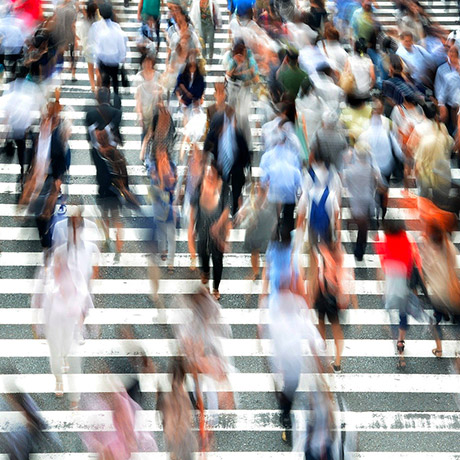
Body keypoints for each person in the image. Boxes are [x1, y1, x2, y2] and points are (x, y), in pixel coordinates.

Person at [188, 161, 231, 300]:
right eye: (208, 172)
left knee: (218, 259)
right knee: (202, 251)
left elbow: (226, 209)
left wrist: (218, 225)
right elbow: (194, 204)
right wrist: (192, 225)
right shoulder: (201, 184)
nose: (209, 175)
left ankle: (216, 287)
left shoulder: (223, 188)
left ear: (218, 174)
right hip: (202, 226)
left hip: (218, 230)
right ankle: (205, 271)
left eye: (212, 172)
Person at [204, 110, 251, 215]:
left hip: (236, 168)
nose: (218, 131)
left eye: (219, 129)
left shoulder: (236, 133)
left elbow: (245, 153)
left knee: (236, 192)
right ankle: (219, 213)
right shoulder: (213, 134)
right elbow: (206, 148)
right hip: (220, 168)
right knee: (220, 193)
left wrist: (245, 168)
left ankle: (234, 212)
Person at [344, 141, 381, 260]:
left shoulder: (349, 171)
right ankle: (359, 250)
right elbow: (375, 183)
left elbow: (347, 185)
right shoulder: (371, 169)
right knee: (363, 228)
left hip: (356, 200)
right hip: (367, 200)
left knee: (360, 225)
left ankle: (358, 249)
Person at [88, 2, 127, 94]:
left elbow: (93, 44)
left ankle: (105, 100)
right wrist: (123, 58)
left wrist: (96, 61)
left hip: (103, 61)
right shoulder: (116, 27)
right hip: (114, 60)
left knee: (104, 83)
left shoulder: (95, 27)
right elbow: (122, 44)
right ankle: (117, 99)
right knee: (115, 82)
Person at [133, 54, 161, 141]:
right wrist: (140, 115)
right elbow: (138, 99)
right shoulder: (138, 77)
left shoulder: (157, 75)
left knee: (156, 135)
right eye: (145, 62)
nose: (147, 64)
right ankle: (144, 153)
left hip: (155, 109)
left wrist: (157, 92)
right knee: (145, 134)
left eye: (149, 62)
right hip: (144, 110)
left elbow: (162, 91)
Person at [76, 0, 99, 93]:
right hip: (98, 47)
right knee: (98, 68)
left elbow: (79, 35)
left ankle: (93, 86)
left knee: (90, 68)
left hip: (88, 47)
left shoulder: (84, 22)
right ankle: (99, 83)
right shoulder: (98, 22)